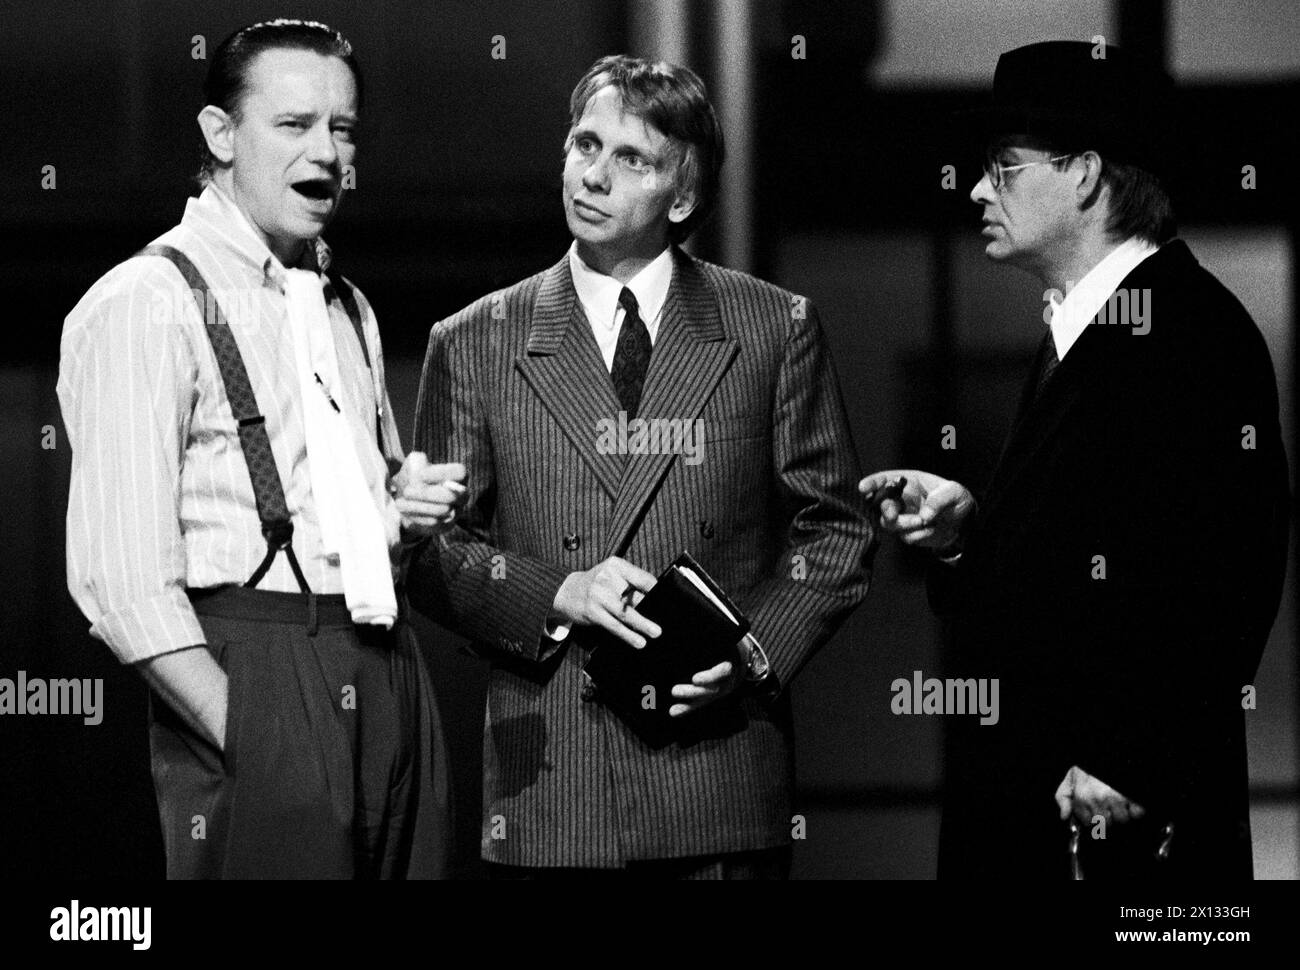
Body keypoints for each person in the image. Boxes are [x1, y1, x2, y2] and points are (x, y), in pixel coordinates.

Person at [407, 54, 873, 878]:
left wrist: (751, 655)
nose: (594, 175)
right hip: (552, 789)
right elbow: (429, 553)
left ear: (683, 197)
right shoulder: (475, 340)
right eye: (583, 145)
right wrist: (557, 591)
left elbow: (833, 531)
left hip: (717, 779)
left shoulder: (772, 327)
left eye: (633, 160)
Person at [861, 41, 1289, 880]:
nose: (979, 189)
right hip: (1046, 806)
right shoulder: (1085, 328)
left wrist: (1136, 759)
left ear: (1086, 174)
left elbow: (1232, 566)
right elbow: (1100, 551)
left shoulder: (1193, 328)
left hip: (1118, 829)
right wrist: (968, 532)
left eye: (1003, 168)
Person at [57, 19, 465, 879]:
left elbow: (345, 510)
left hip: (386, 667)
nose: (327, 153)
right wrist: (249, 725)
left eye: (343, 129)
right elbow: (118, 578)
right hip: (263, 668)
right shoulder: (146, 300)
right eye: (294, 125)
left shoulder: (345, 303)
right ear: (219, 136)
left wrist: (399, 506)